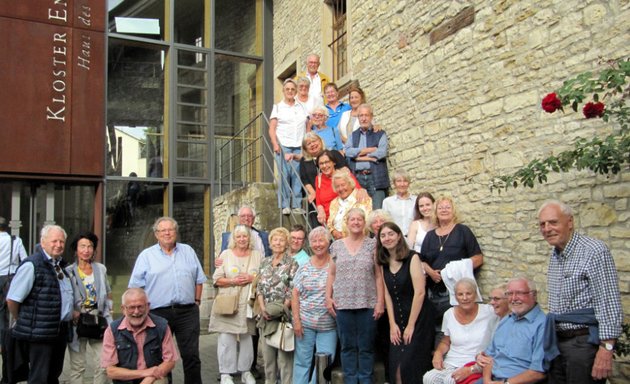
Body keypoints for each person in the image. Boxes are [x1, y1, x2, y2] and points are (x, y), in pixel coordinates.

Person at [538, 200, 622, 384]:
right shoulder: (555, 255)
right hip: (558, 343)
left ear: (570, 222)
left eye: (553, 222)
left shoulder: (594, 251)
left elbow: (608, 302)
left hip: (583, 344)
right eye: (542, 224)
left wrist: (606, 348)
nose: (547, 228)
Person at [128, 217, 207, 384]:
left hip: (187, 312)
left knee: (191, 355)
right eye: (162, 230)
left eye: (170, 229)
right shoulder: (146, 256)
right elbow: (136, 287)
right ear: (156, 234)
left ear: (176, 232)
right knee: (160, 357)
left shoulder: (188, 251)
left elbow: (199, 279)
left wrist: (197, 301)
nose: (167, 233)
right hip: (158, 313)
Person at [6, 224, 74, 384]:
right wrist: (23, 320)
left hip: (59, 331)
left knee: (53, 375)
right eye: (54, 241)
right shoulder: (32, 265)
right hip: (39, 332)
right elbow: (13, 299)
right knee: (39, 377)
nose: (58, 245)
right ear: (43, 242)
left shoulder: (61, 265)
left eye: (62, 241)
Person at [326, 207, 384, 384]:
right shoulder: (336, 246)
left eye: (360, 219)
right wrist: (328, 297)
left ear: (364, 222)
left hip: (367, 303)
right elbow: (331, 274)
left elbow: (378, 274)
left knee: (366, 347)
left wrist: (380, 301)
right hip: (342, 304)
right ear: (347, 222)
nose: (356, 222)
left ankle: (365, 380)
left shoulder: (372, 245)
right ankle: (350, 380)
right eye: (353, 219)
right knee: (347, 347)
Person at [377, 222, 435, 383]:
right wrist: (392, 324)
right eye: (383, 235)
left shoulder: (412, 257)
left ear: (398, 236)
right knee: (395, 368)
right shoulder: (383, 261)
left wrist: (410, 326)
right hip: (397, 319)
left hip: (418, 319)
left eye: (390, 234)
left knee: (410, 366)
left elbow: (420, 292)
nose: (387, 238)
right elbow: (387, 295)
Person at [209, 225, 262, 384]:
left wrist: (252, 279)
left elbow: (263, 277)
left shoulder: (257, 255)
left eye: (244, 236)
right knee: (226, 337)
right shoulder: (225, 254)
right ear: (234, 239)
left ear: (249, 238)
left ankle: (246, 371)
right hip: (229, 302)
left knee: (247, 337)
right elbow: (216, 279)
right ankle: (226, 372)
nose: (242, 239)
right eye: (238, 236)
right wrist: (233, 280)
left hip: (248, 303)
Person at [420, 196, 483, 328]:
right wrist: (431, 272)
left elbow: (478, 258)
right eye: (440, 208)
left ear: (453, 210)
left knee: (458, 326)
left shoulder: (462, 231)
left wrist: (452, 270)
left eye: (447, 207)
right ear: (436, 212)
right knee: (439, 328)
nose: (444, 210)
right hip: (434, 291)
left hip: (458, 290)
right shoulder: (430, 236)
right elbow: (422, 260)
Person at [422, 278, 496, 384]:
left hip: (474, 363)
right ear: (455, 297)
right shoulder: (449, 314)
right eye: (460, 294)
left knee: (451, 380)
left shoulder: (489, 312)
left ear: (475, 294)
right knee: (429, 378)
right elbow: (445, 341)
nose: (464, 298)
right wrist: (438, 353)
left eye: (468, 293)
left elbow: (505, 312)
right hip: (451, 362)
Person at [101, 288, 178, 384]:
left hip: (153, 379)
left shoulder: (161, 326)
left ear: (148, 306)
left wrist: (149, 378)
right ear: (123, 309)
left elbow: (170, 361)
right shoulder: (112, 330)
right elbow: (111, 371)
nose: (136, 312)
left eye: (140, 307)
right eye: (132, 307)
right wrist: (144, 373)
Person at [478, 276, 547, 384]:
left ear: (533, 295)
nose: (514, 298)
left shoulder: (542, 325)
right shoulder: (506, 320)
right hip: (492, 380)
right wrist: (487, 381)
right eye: (510, 294)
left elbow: (538, 372)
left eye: (519, 293)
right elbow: (488, 357)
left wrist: (505, 383)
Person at [66, 232, 113, 384]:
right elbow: (66, 297)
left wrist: (109, 312)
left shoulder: (100, 269)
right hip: (77, 323)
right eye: (82, 246)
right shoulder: (69, 272)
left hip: (98, 321)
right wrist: (72, 312)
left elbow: (108, 292)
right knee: (78, 366)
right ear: (76, 250)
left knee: (104, 363)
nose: (86, 250)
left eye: (90, 246)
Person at [291, 227, 336, 384]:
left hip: (328, 325)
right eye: (314, 241)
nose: (318, 244)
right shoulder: (304, 266)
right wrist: (296, 320)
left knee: (325, 364)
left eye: (321, 240)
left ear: (328, 241)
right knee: (302, 362)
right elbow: (295, 294)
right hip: (306, 324)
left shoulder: (335, 264)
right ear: (309, 244)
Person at [256, 227, 298, 384]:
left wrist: (280, 309)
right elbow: (259, 287)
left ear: (286, 243)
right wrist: (263, 308)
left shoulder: (291, 263)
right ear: (270, 242)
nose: (278, 243)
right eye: (275, 240)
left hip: (282, 317)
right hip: (265, 316)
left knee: (284, 361)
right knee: (268, 361)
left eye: (281, 240)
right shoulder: (264, 262)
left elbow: (292, 289)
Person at [269, 78, 308, 215]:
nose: (290, 91)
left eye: (292, 89)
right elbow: (272, 128)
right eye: (287, 89)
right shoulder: (278, 107)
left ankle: (296, 205)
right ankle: (285, 205)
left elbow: (307, 124)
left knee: (297, 176)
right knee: (285, 176)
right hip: (283, 145)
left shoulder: (302, 106)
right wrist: (275, 144)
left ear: (295, 91)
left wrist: (307, 141)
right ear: (283, 91)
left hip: (298, 145)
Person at [344, 104, 389, 209]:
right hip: (358, 179)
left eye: (366, 115)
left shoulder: (380, 133)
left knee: (377, 212)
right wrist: (370, 151)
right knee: (361, 212)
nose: (363, 119)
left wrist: (358, 157)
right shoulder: (353, 135)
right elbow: (347, 151)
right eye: (361, 116)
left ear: (371, 117)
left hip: (375, 178)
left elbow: (381, 153)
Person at [299, 133, 349, 229]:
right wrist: (313, 192)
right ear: (305, 148)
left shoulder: (333, 153)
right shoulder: (304, 160)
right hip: (317, 197)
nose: (312, 144)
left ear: (320, 141)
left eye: (314, 141)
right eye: (308, 143)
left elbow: (345, 170)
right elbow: (304, 179)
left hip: (336, 193)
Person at [0, 216, 27, 383]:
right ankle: (5, 342)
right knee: (8, 315)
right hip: (9, 280)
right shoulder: (15, 240)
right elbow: (24, 260)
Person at [316, 152, 364, 227]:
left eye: (327, 162)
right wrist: (321, 211)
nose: (324, 166)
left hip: (347, 221)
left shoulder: (344, 174)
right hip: (328, 222)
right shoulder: (318, 178)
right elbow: (318, 202)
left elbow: (359, 191)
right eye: (321, 163)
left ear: (334, 162)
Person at [327, 168, 372, 240]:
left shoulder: (362, 197)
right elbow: (329, 223)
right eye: (337, 186)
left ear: (350, 184)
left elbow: (365, 223)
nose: (341, 189)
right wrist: (333, 231)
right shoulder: (334, 203)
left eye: (343, 185)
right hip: (338, 242)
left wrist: (344, 235)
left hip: (358, 241)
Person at [382, 169, 416, 236]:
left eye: (405, 181)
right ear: (394, 183)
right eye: (399, 181)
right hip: (395, 238)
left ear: (409, 183)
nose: (402, 184)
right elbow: (385, 223)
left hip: (413, 238)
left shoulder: (416, 200)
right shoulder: (387, 202)